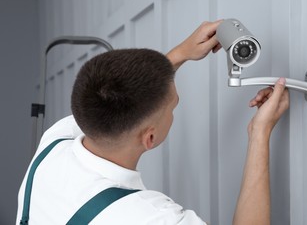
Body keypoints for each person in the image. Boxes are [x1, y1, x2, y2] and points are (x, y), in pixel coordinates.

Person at [16, 20, 289, 225]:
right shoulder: (147, 217)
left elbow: (121, 94)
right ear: (150, 138)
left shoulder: (56, 142)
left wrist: (181, 52)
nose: (175, 108)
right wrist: (259, 132)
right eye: (174, 106)